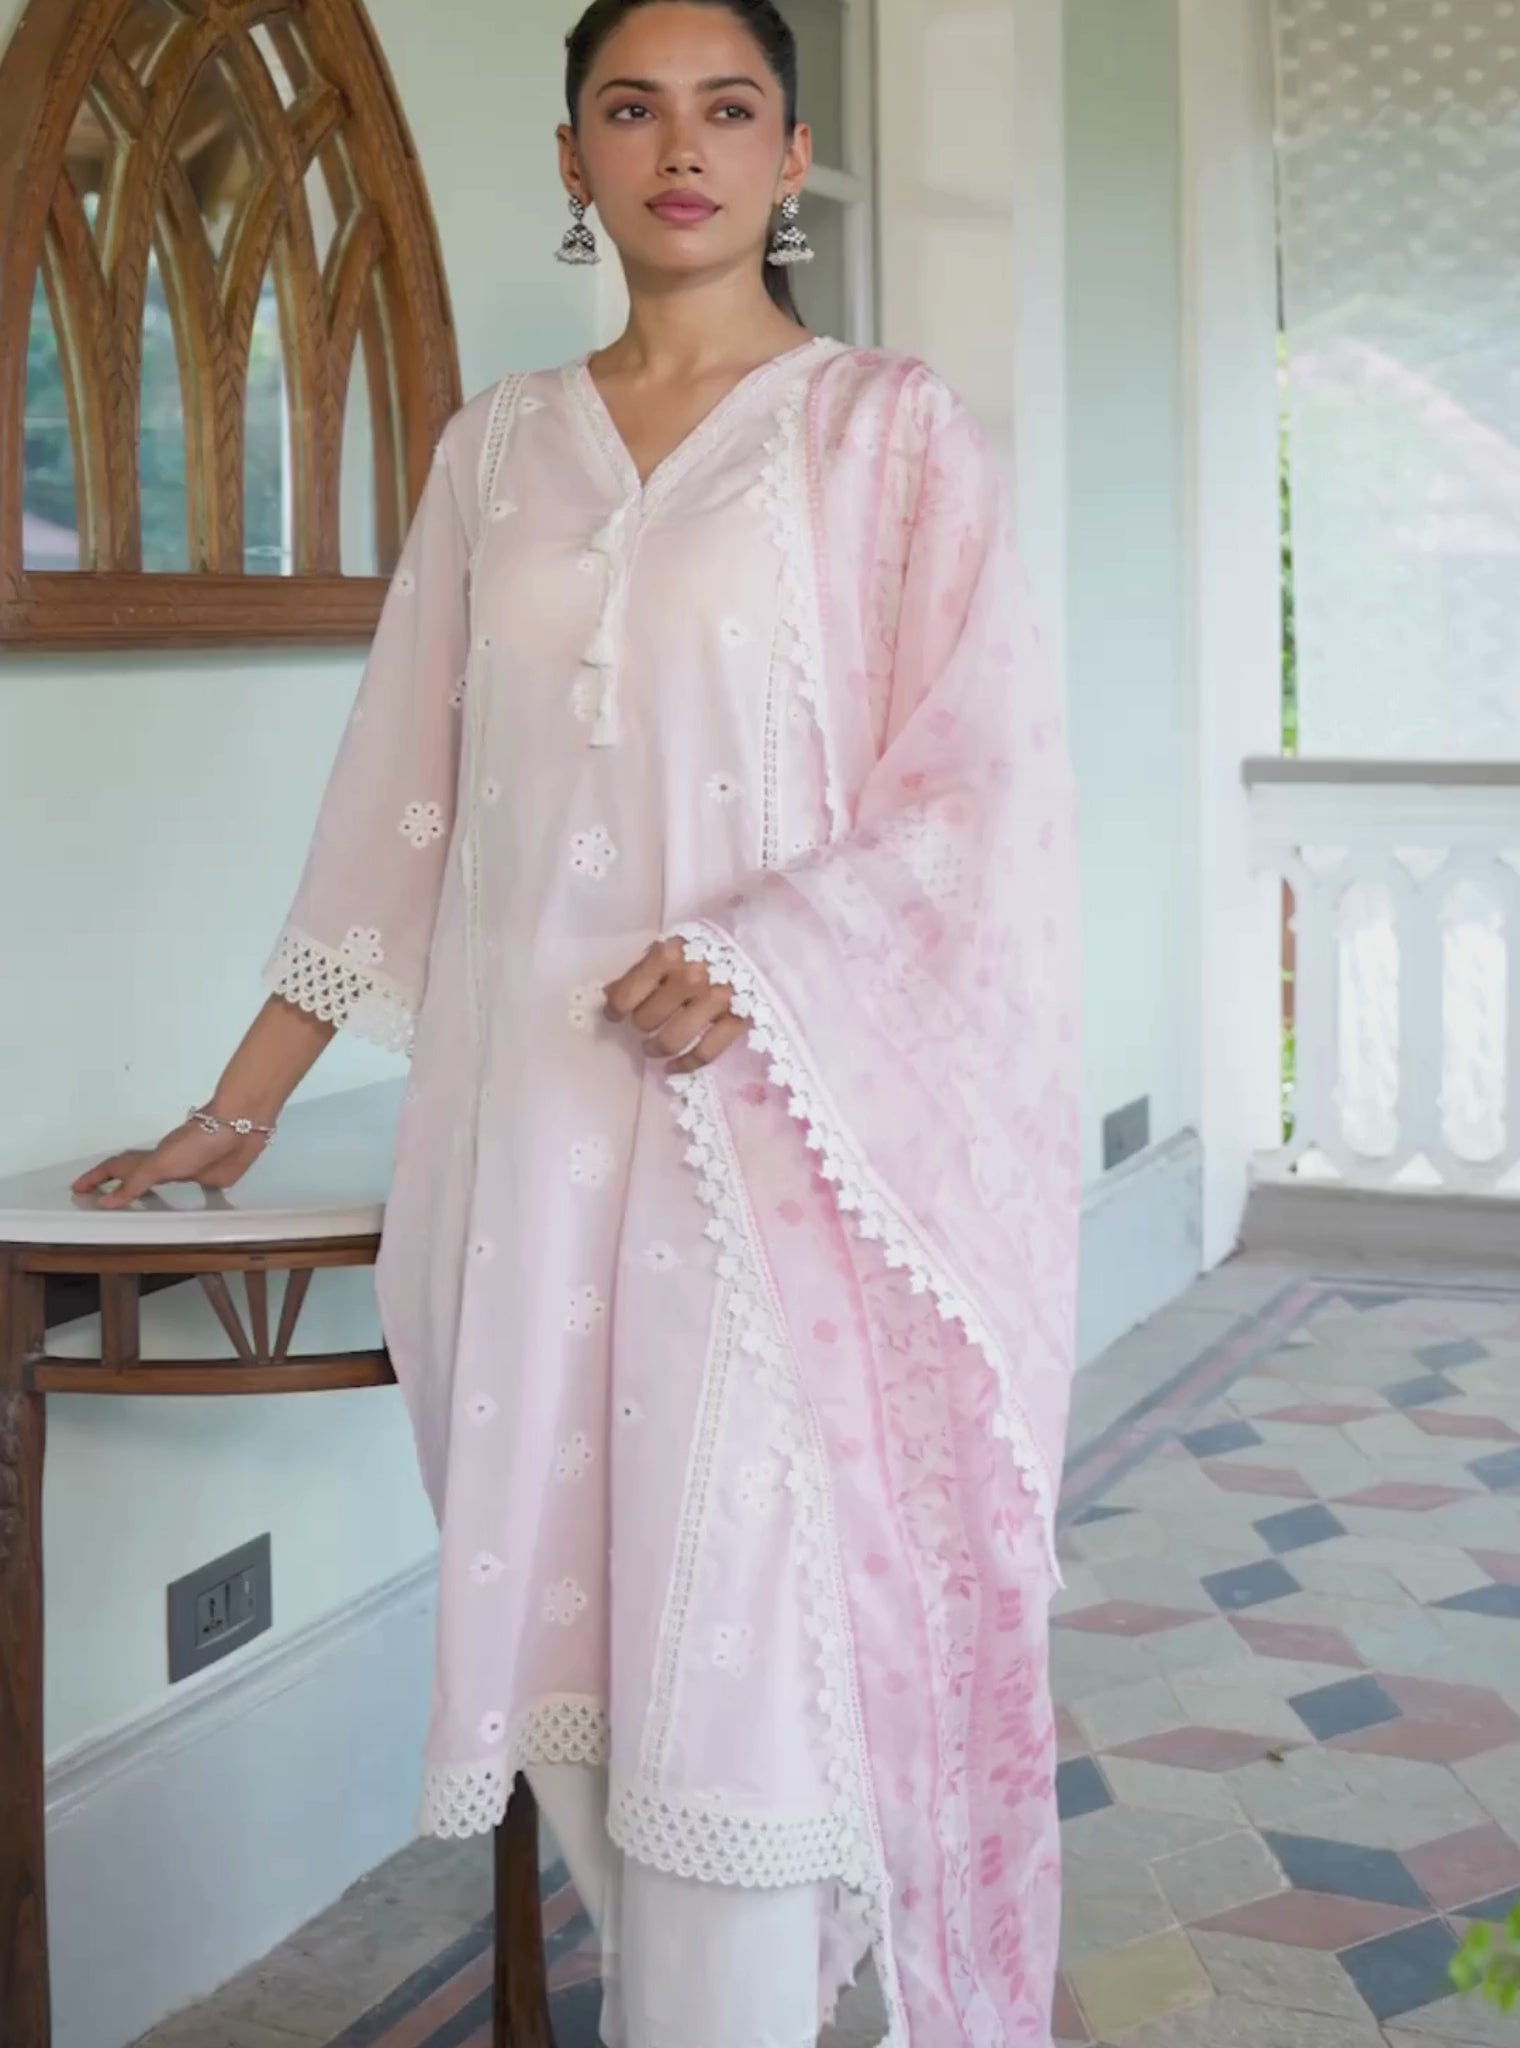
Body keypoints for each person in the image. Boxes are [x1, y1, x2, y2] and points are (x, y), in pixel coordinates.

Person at [76, 1, 1082, 2040]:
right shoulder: (495, 452)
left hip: (769, 1165)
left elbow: (976, 796)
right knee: (608, 1717)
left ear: (791, 157)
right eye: (632, 109)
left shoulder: (888, 439)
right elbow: (398, 804)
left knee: (746, 1697)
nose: (679, 148)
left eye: (728, 110)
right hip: (525, 1159)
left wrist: (770, 951)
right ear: (573, 159)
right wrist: (238, 1105)